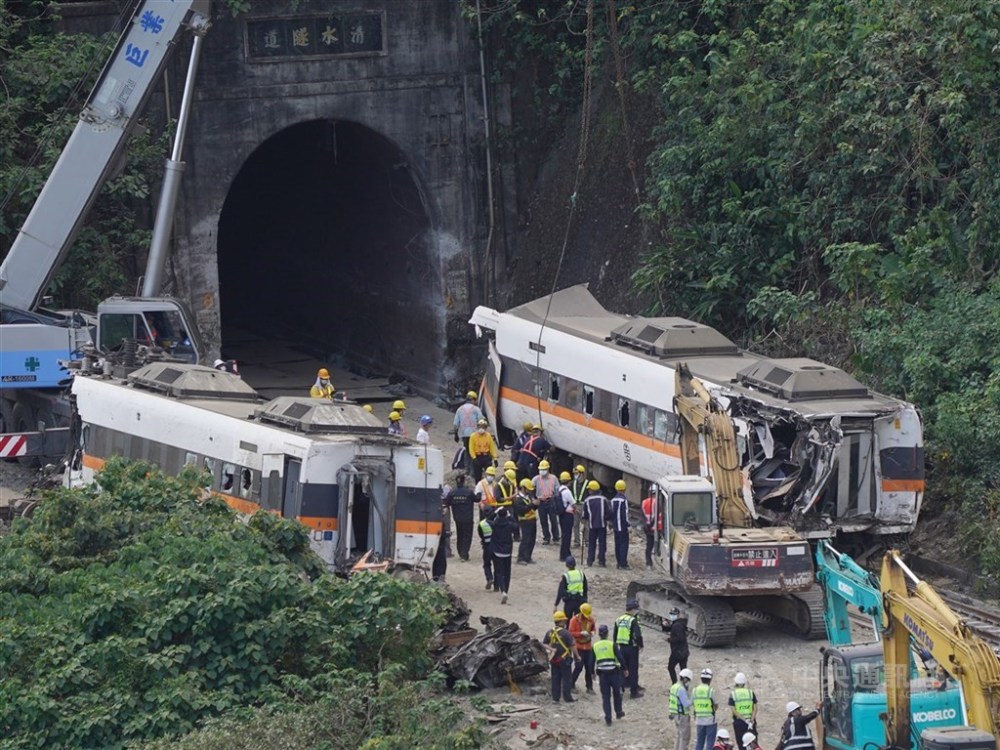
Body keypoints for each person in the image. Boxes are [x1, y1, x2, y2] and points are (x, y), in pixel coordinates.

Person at [593, 623, 626, 726]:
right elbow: (620, 657)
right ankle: (619, 712)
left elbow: (591, 661)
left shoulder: (595, 646)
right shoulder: (612, 644)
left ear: (599, 634)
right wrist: (625, 669)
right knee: (617, 693)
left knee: (606, 697)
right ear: (607, 634)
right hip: (614, 673)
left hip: (602, 675)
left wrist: (591, 673)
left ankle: (608, 718)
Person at [543, 611, 579, 703]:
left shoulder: (549, 632)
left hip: (554, 659)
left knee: (555, 678)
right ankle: (567, 697)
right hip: (564, 659)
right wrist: (577, 656)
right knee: (567, 678)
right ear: (561, 621)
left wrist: (552, 649)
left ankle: (555, 698)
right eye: (564, 620)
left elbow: (544, 644)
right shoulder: (566, 633)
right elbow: (572, 645)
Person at [614, 598, 644, 699]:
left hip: (621, 648)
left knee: (623, 668)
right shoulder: (633, 620)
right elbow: (638, 635)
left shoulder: (618, 619)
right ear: (633, 609)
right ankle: (633, 692)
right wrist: (641, 645)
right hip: (632, 648)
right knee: (633, 669)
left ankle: (621, 689)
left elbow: (615, 635)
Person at [444, 474, 476, 561]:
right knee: (467, 536)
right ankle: (464, 554)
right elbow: (477, 499)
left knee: (460, 535)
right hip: (468, 519)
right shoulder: (469, 492)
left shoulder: (452, 493)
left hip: (457, 519)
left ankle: (460, 552)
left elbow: (446, 503)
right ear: (464, 481)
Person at [569, 601, 596, 694]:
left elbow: (593, 628)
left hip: (588, 647)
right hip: (578, 647)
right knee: (579, 667)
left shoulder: (591, 619)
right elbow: (570, 633)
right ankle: (571, 684)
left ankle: (589, 687)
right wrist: (580, 633)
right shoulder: (574, 620)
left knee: (589, 668)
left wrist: (592, 632)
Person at [490, 506, 516, 604]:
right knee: (507, 572)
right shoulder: (509, 524)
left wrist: (495, 512)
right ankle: (506, 591)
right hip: (507, 551)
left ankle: (502, 590)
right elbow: (516, 526)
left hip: (497, 551)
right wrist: (510, 517)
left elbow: (488, 519)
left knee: (499, 572)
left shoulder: (495, 524)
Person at [582, 480, 610, 567]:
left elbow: (584, 515)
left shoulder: (587, 500)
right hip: (602, 525)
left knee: (591, 543)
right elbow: (608, 512)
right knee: (602, 543)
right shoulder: (604, 499)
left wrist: (583, 524)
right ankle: (601, 561)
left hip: (592, 525)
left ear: (592, 490)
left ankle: (590, 560)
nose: (589, 491)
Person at [532, 460, 560, 545]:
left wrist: (556, 499)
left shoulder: (553, 478)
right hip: (541, 502)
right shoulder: (536, 479)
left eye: (544, 469)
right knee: (543, 521)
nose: (542, 471)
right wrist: (533, 499)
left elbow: (557, 490)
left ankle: (556, 537)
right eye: (541, 469)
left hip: (551, 501)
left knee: (553, 520)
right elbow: (530, 489)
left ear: (548, 469)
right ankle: (546, 538)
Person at [452, 391, 483, 468]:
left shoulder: (459, 409)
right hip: (475, 434)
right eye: (475, 400)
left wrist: (456, 435)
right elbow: (481, 421)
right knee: (475, 452)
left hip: (464, 435)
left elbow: (455, 424)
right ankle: (473, 471)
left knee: (467, 452)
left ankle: (467, 469)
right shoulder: (476, 409)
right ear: (473, 399)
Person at [729, 672, 758, 750]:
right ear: (744, 682)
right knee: (753, 744)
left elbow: (733, 710)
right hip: (751, 723)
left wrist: (744, 720)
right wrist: (751, 720)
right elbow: (755, 708)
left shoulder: (733, 694)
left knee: (741, 744)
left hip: (739, 722)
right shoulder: (750, 693)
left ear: (736, 682)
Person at [514, 478, 539, 564]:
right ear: (524, 488)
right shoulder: (518, 499)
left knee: (532, 540)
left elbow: (532, 508)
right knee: (525, 539)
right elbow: (521, 510)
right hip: (525, 522)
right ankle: (521, 558)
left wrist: (536, 504)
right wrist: (532, 504)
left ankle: (528, 556)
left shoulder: (529, 497)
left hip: (532, 520)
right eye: (528, 489)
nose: (530, 491)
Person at [554, 555, 588, 619]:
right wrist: (585, 601)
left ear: (566, 565)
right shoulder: (581, 573)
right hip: (579, 601)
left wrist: (556, 604)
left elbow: (560, 591)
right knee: (578, 622)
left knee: (567, 621)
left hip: (569, 601)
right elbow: (585, 588)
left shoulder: (566, 576)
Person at [692, 668, 718, 750]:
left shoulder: (694, 690)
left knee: (699, 742)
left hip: (699, 720)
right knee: (710, 743)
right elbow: (716, 705)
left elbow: (693, 703)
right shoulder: (711, 691)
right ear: (710, 679)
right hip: (710, 720)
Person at [670, 668, 695, 750]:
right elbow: (686, 703)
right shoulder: (681, 689)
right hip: (683, 716)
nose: (688, 683)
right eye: (688, 680)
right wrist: (693, 698)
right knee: (684, 738)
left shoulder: (674, 687)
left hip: (675, 715)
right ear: (684, 679)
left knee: (678, 736)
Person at [666, 607, 690, 685]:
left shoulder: (676, 625)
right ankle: (684, 686)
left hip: (677, 652)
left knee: (671, 667)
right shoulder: (680, 623)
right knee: (683, 669)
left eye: (673, 614)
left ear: (678, 615)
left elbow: (679, 638)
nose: (672, 616)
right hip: (684, 651)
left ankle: (675, 684)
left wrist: (669, 639)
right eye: (671, 614)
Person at [610, 479, 630, 569]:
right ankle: (623, 564)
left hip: (615, 526)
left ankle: (618, 563)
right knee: (624, 544)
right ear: (624, 489)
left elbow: (611, 513)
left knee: (617, 544)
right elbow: (625, 514)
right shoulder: (624, 500)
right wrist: (628, 525)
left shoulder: (613, 500)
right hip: (622, 526)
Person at [557, 471, 576, 561]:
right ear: (569, 481)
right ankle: (564, 555)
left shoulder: (559, 489)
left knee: (564, 534)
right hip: (568, 515)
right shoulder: (567, 491)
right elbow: (573, 503)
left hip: (562, 514)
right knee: (567, 535)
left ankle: (565, 553)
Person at [497, 468, 520, 541]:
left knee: (513, 522)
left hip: (510, 506)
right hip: (500, 507)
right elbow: (498, 498)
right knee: (502, 523)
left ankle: (516, 536)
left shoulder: (511, 484)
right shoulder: (498, 485)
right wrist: (511, 497)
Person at [570, 464, 589, 549]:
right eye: (575, 474)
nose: (576, 475)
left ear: (582, 474)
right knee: (575, 524)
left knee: (586, 524)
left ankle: (587, 541)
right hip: (575, 505)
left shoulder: (587, 483)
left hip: (583, 505)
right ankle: (577, 541)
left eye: (577, 473)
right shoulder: (573, 483)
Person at [641, 483, 659, 569]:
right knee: (657, 546)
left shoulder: (644, 502)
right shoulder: (658, 502)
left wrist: (647, 526)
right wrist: (651, 524)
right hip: (657, 528)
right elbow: (656, 516)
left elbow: (643, 516)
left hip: (648, 528)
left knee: (649, 546)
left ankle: (649, 563)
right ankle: (657, 562)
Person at [478, 505, 495, 590]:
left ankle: (489, 578)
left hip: (487, 546)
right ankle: (497, 584)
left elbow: (481, 535)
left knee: (487, 564)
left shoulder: (481, 524)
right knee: (497, 565)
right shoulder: (497, 522)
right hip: (496, 546)